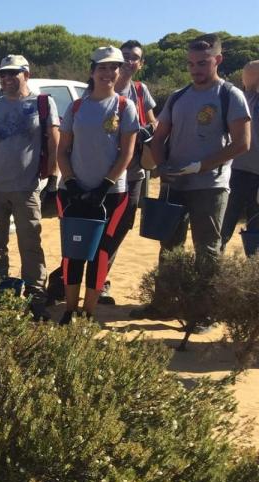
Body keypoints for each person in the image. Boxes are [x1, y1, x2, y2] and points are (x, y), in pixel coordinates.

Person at [133, 34, 252, 324]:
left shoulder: (229, 95)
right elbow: (159, 138)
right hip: (175, 184)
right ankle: (163, 304)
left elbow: (242, 143)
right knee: (169, 245)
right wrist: (163, 166)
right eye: (190, 64)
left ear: (218, 60)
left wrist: (200, 166)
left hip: (210, 187)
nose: (195, 69)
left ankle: (203, 313)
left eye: (202, 63)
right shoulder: (178, 96)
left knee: (207, 250)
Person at [0, 55, 59, 321]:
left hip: (26, 187)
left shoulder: (42, 104)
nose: (7, 79)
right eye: (3, 74)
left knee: (30, 242)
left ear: (26, 75)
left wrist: (53, 178)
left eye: (13, 74)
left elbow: (54, 141)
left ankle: (35, 298)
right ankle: (1, 292)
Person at [56, 47, 139, 324]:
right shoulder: (76, 107)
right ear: (92, 71)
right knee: (73, 251)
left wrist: (104, 185)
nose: (108, 73)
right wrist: (71, 183)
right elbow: (63, 149)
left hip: (111, 195)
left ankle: (88, 313)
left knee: (100, 253)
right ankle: (70, 309)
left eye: (113, 67)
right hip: (73, 192)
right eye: (102, 67)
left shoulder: (125, 107)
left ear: (120, 71)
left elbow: (127, 153)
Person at [93, 40, 159, 305]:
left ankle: (100, 281)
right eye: (127, 57)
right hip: (98, 175)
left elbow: (154, 124)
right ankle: (85, 279)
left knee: (119, 228)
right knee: (94, 227)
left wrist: (147, 131)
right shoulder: (97, 91)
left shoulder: (141, 92)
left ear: (140, 64)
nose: (131, 62)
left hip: (132, 175)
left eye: (136, 58)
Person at [220, 60, 259, 250]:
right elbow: (251, 70)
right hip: (236, 171)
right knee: (222, 228)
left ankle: (251, 277)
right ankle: (211, 272)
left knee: (256, 233)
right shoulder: (247, 97)